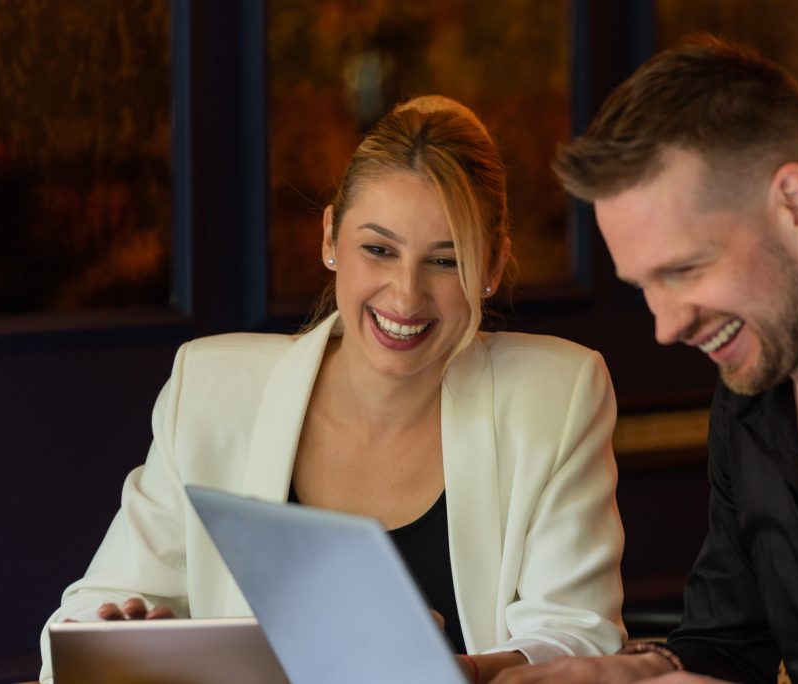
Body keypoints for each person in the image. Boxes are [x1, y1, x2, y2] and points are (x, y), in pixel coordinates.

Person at [38, 95, 626, 683]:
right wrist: (124, 634)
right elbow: (86, 617)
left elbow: (578, 637)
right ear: (329, 237)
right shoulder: (211, 390)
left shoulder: (558, 395)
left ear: (493, 267)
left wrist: (455, 673)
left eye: (445, 262)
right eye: (378, 250)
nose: (405, 296)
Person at [497, 35, 798, 684]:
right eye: (644, 286)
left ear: (795, 207)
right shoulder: (747, 397)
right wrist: (629, 673)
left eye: (686, 269)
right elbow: (726, 643)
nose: (666, 327)